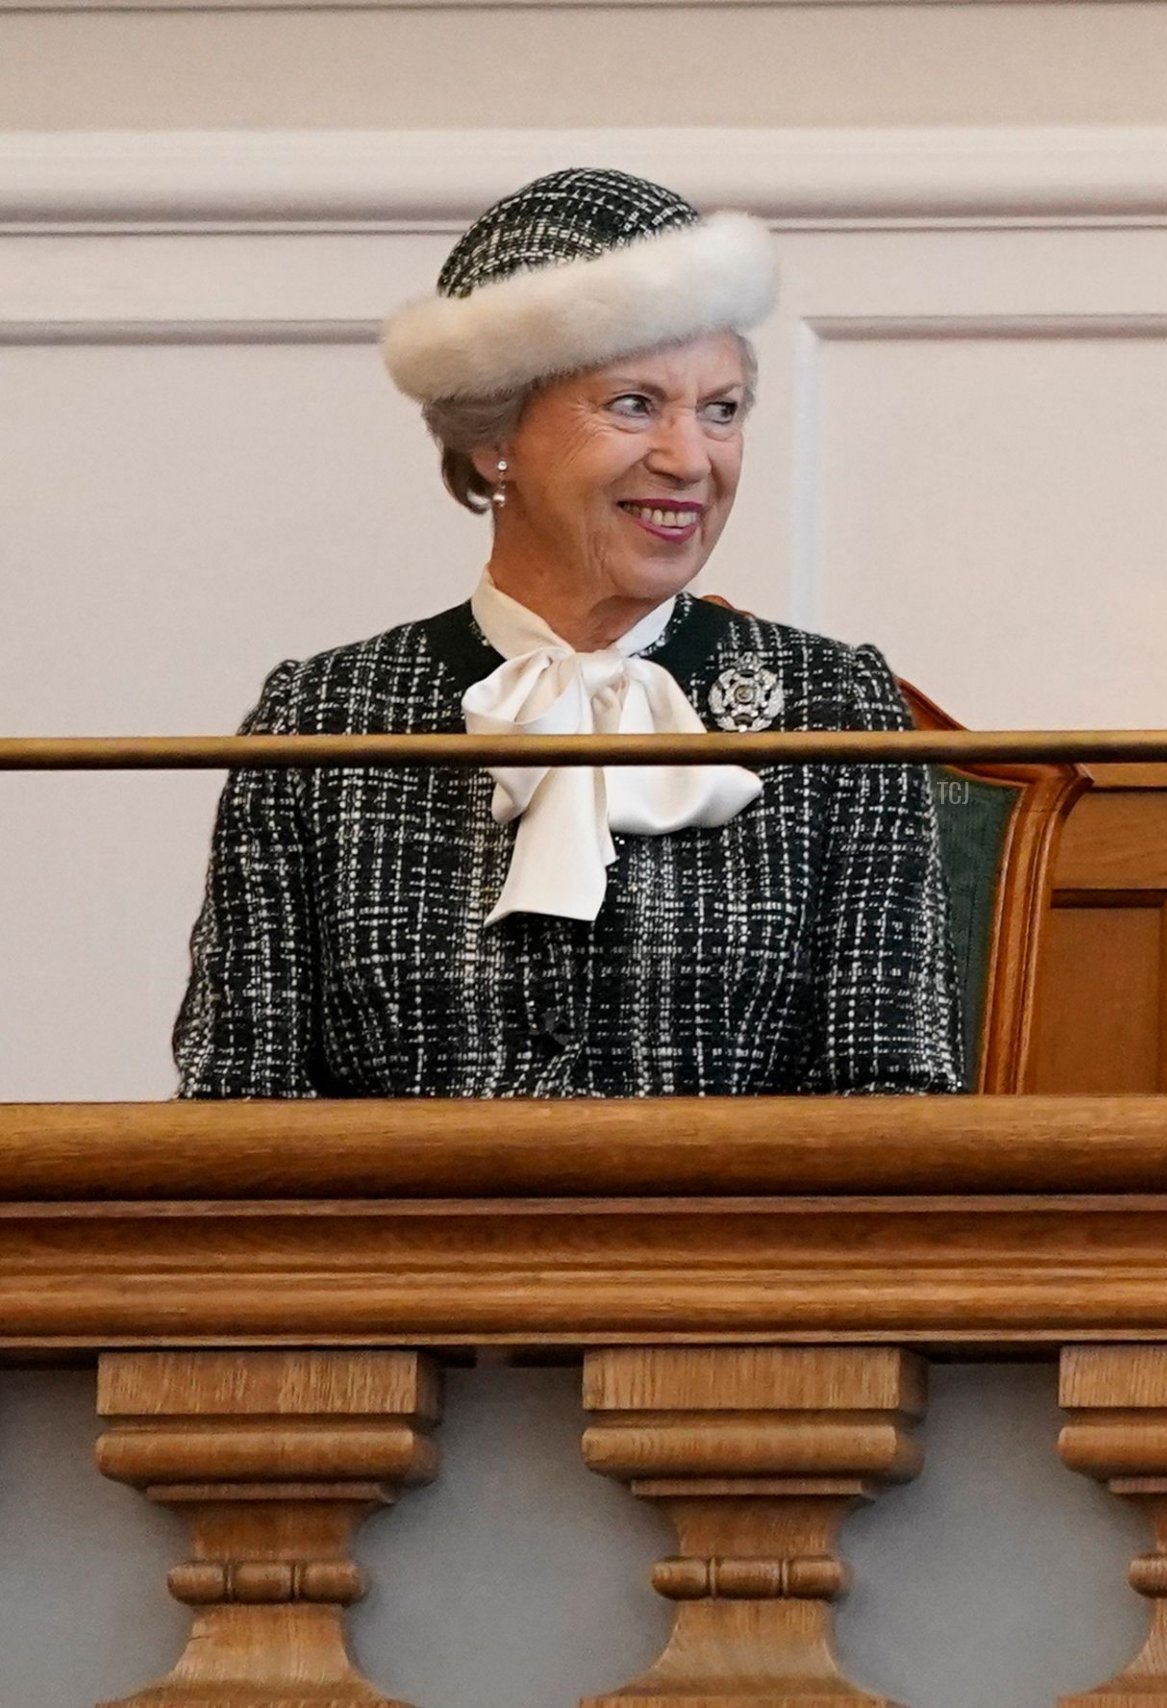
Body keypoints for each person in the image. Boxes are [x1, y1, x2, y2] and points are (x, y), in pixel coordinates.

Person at [173, 167, 964, 1100]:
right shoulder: (321, 719)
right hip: (404, 1249)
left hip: (734, 1249)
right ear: (492, 433)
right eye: (635, 404)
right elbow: (237, 1105)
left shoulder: (834, 706)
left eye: (721, 410)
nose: (689, 459)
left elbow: (893, 1102)